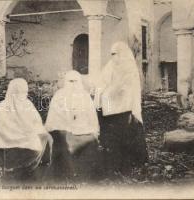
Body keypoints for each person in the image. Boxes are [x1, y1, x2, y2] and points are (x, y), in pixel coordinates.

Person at [96, 41, 148, 176]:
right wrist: (101, 95)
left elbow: (130, 89)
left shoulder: (129, 68)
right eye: (111, 54)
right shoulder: (110, 66)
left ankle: (130, 163)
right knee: (111, 136)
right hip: (109, 108)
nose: (113, 57)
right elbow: (101, 82)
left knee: (126, 135)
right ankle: (112, 163)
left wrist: (114, 92)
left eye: (115, 54)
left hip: (125, 108)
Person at [0, 78, 53, 182]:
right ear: (13, 91)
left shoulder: (27, 104)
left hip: (21, 137)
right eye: (20, 92)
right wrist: (25, 132)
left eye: (24, 92)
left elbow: (36, 122)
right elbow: (1, 128)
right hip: (10, 139)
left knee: (46, 137)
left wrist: (32, 131)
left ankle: (41, 169)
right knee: (41, 139)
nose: (23, 94)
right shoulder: (4, 106)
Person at [45, 70, 101, 182]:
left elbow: (91, 117)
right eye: (70, 81)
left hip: (81, 128)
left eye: (76, 81)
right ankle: (66, 173)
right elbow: (54, 116)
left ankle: (84, 174)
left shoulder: (85, 96)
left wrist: (91, 129)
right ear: (66, 82)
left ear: (80, 82)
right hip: (63, 127)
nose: (73, 84)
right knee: (63, 139)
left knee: (90, 139)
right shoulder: (59, 95)